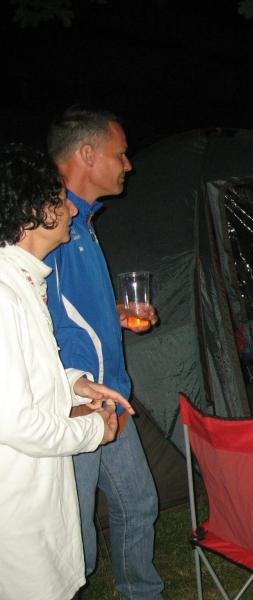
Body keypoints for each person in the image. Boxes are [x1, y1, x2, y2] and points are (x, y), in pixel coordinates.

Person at [0, 144, 133, 599]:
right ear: (36, 212)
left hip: (37, 502)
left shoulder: (24, 282)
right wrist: (94, 430)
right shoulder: (5, 296)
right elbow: (13, 419)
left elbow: (25, 376)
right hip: (18, 510)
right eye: (60, 200)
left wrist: (74, 382)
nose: (71, 210)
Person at [45, 107, 164, 598]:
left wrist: (114, 313)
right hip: (78, 404)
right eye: (121, 154)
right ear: (88, 154)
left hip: (111, 396)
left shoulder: (83, 222)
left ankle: (141, 593)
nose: (128, 165)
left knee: (138, 504)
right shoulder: (47, 222)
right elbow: (30, 322)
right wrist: (69, 395)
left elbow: (67, 308)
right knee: (76, 540)